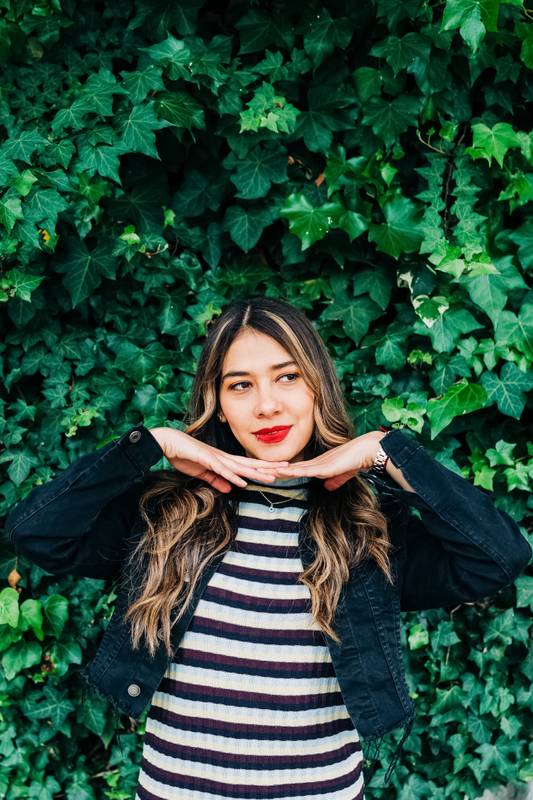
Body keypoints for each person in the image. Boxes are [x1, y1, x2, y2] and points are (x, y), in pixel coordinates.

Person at [5, 297, 531, 800]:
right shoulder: (166, 517)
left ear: (319, 386)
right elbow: (36, 531)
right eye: (240, 385)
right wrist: (154, 444)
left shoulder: (368, 530)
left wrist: (386, 451)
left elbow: (498, 556)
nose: (267, 405)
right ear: (219, 406)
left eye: (288, 376)